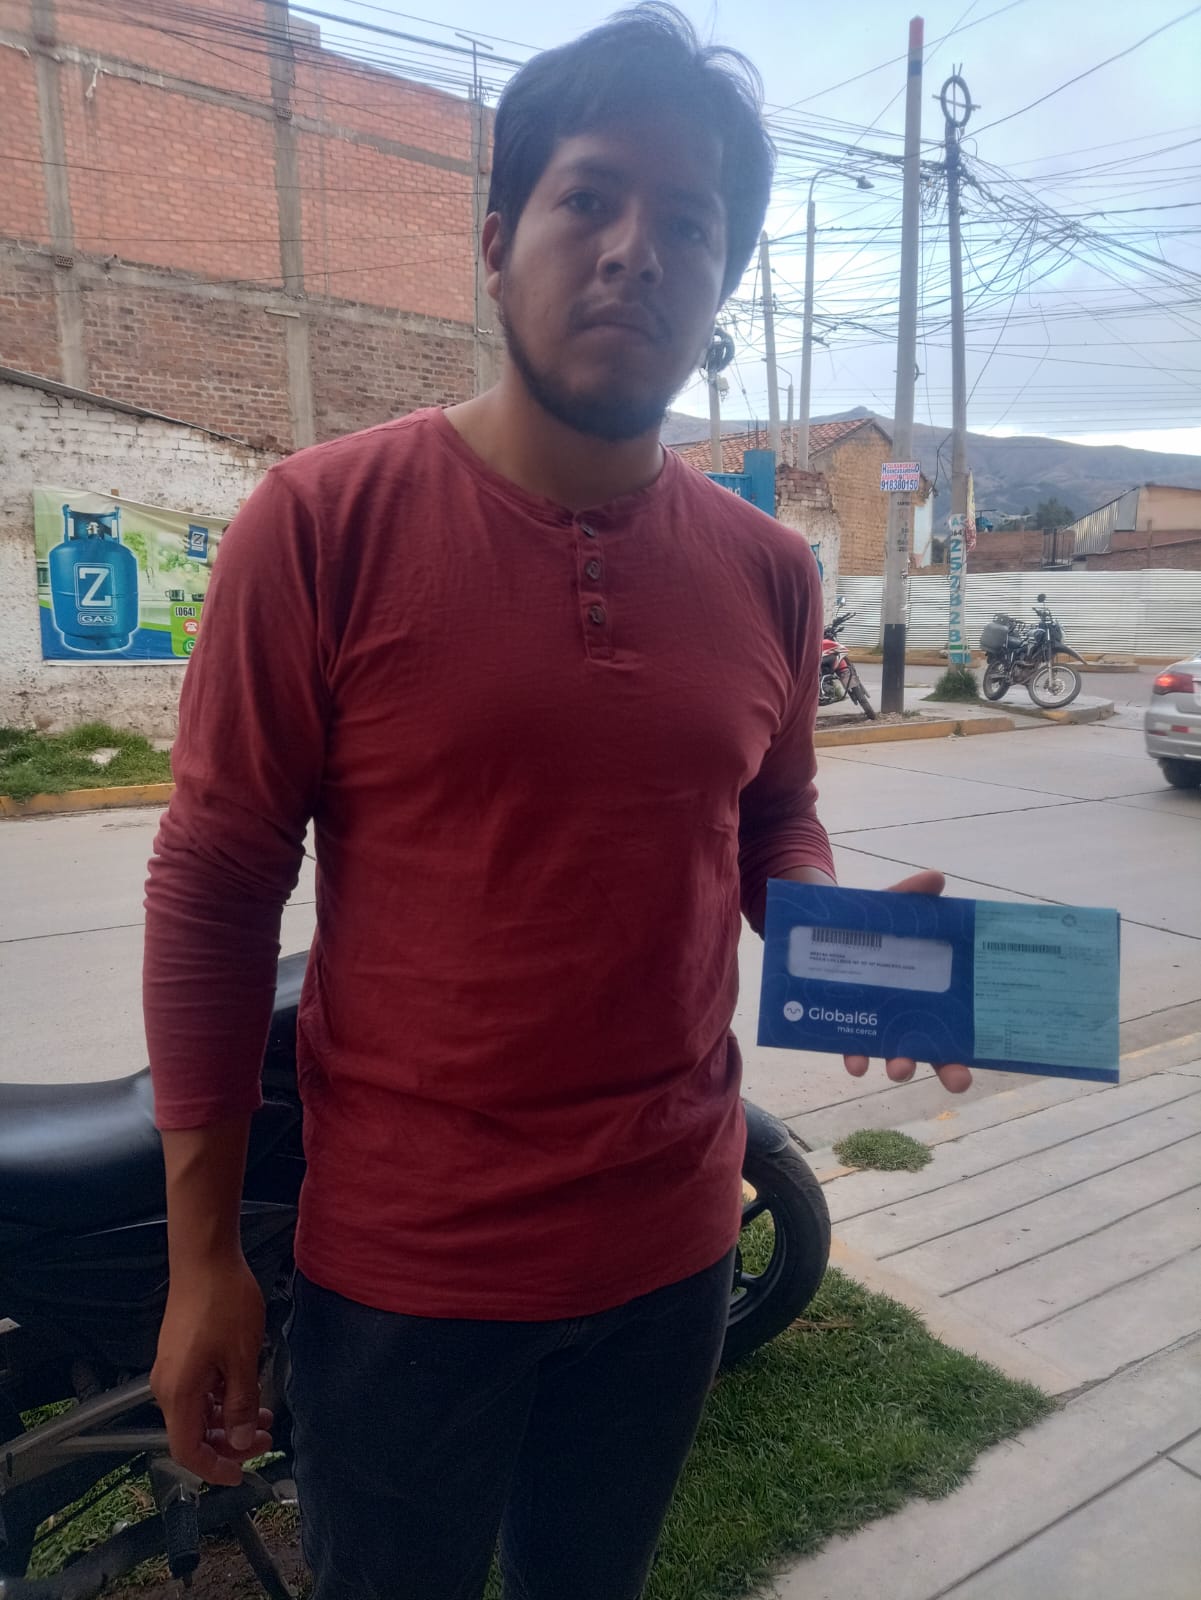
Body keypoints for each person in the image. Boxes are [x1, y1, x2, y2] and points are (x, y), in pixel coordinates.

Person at [144, 7, 971, 1597]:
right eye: (589, 197)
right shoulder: (318, 524)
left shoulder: (767, 569)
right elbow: (215, 885)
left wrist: (834, 930)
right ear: (496, 240)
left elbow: (768, 815)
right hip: (408, 1273)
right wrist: (203, 1260)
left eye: (689, 223)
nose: (636, 248)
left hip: (672, 1246)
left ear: (719, 284)